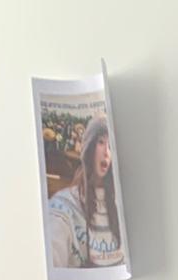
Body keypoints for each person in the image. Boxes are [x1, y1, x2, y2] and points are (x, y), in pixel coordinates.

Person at [47, 114, 124, 270]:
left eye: (111, 146)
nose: (107, 152)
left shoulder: (120, 203)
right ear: (89, 147)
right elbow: (53, 248)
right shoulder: (63, 206)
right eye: (101, 142)